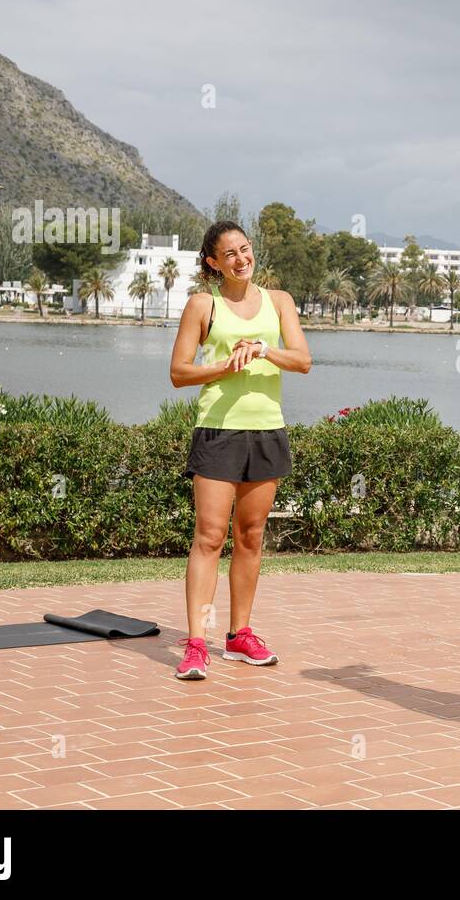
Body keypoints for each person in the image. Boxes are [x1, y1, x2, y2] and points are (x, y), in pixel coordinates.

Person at [167, 220, 312, 679]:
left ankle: (238, 636)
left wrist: (266, 351)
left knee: (251, 537)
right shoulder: (202, 305)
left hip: (267, 431)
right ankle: (195, 643)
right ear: (213, 262)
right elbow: (178, 372)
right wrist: (224, 366)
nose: (240, 259)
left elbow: (303, 360)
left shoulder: (280, 302)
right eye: (228, 254)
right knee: (209, 537)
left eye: (244, 249)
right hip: (217, 431)